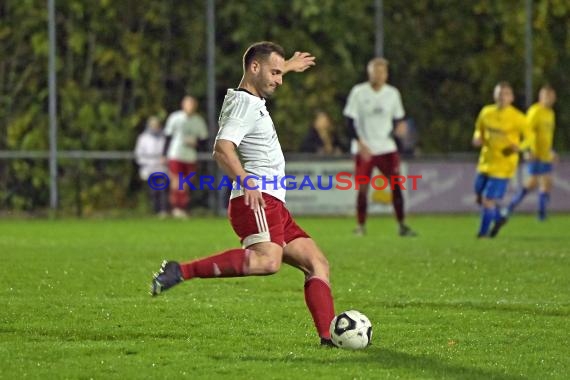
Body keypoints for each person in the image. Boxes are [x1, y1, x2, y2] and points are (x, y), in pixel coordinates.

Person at [150, 42, 337, 347]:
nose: (279, 80)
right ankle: (181, 271)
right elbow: (222, 148)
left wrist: (285, 66)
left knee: (317, 263)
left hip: (274, 203)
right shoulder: (244, 105)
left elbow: (266, 73)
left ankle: (330, 339)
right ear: (254, 68)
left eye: (281, 73)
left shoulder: (250, 98)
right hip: (257, 199)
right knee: (268, 262)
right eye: (274, 73)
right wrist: (247, 181)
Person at [343, 57, 416, 237]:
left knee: (396, 184)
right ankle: (360, 225)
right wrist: (360, 143)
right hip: (365, 148)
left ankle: (402, 224)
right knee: (363, 188)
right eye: (375, 71)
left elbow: (398, 118)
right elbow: (349, 121)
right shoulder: (359, 92)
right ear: (369, 73)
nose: (379, 75)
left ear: (386, 74)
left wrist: (400, 126)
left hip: (386, 147)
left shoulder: (392, 94)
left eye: (382, 71)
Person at [472, 81, 532, 238]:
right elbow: (479, 129)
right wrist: (477, 138)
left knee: (487, 199)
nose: (502, 97)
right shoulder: (486, 112)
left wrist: (520, 147)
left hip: (504, 165)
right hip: (485, 161)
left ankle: (483, 234)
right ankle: (499, 218)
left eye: (505, 94)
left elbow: (530, 138)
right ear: (494, 95)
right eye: (499, 93)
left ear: (511, 98)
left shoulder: (517, 117)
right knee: (479, 196)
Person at [504, 85, 557, 221]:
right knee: (545, 182)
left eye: (551, 96)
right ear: (540, 97)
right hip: (535, 155)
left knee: (534, 184)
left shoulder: (550, 113)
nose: (549, 99)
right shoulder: (535, 111)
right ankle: (541, 216)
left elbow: (546, 136)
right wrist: (527, 150)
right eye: (546, 96)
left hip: (545, 155)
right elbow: (526, 133)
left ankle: (509, 208)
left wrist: (551, 151)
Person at [162, 95, 209, 218]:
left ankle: (181, 206)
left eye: (192, 104)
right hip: (176, 154)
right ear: (183, 105)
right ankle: (177, 207)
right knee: (177, 180)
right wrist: (163, 154)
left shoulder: (198, 121)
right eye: (188, 104)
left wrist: (196, 143)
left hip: (190, 156)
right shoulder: (175, 118)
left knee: (187, 182)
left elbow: (204, 140)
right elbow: (168, 136)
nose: (190, 107)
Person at [134, 116, 168, 217]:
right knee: (153, 191)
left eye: (157, 125)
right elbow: (139, 154)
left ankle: (163, 211)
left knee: (163, 190)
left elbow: (167, 152)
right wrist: (148, 162)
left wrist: (165, 159)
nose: (155, 127)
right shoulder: (143, 138)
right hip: (149, 168)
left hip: (162, 168)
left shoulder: (163, 137)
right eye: (153, 125)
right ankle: (154, 211)